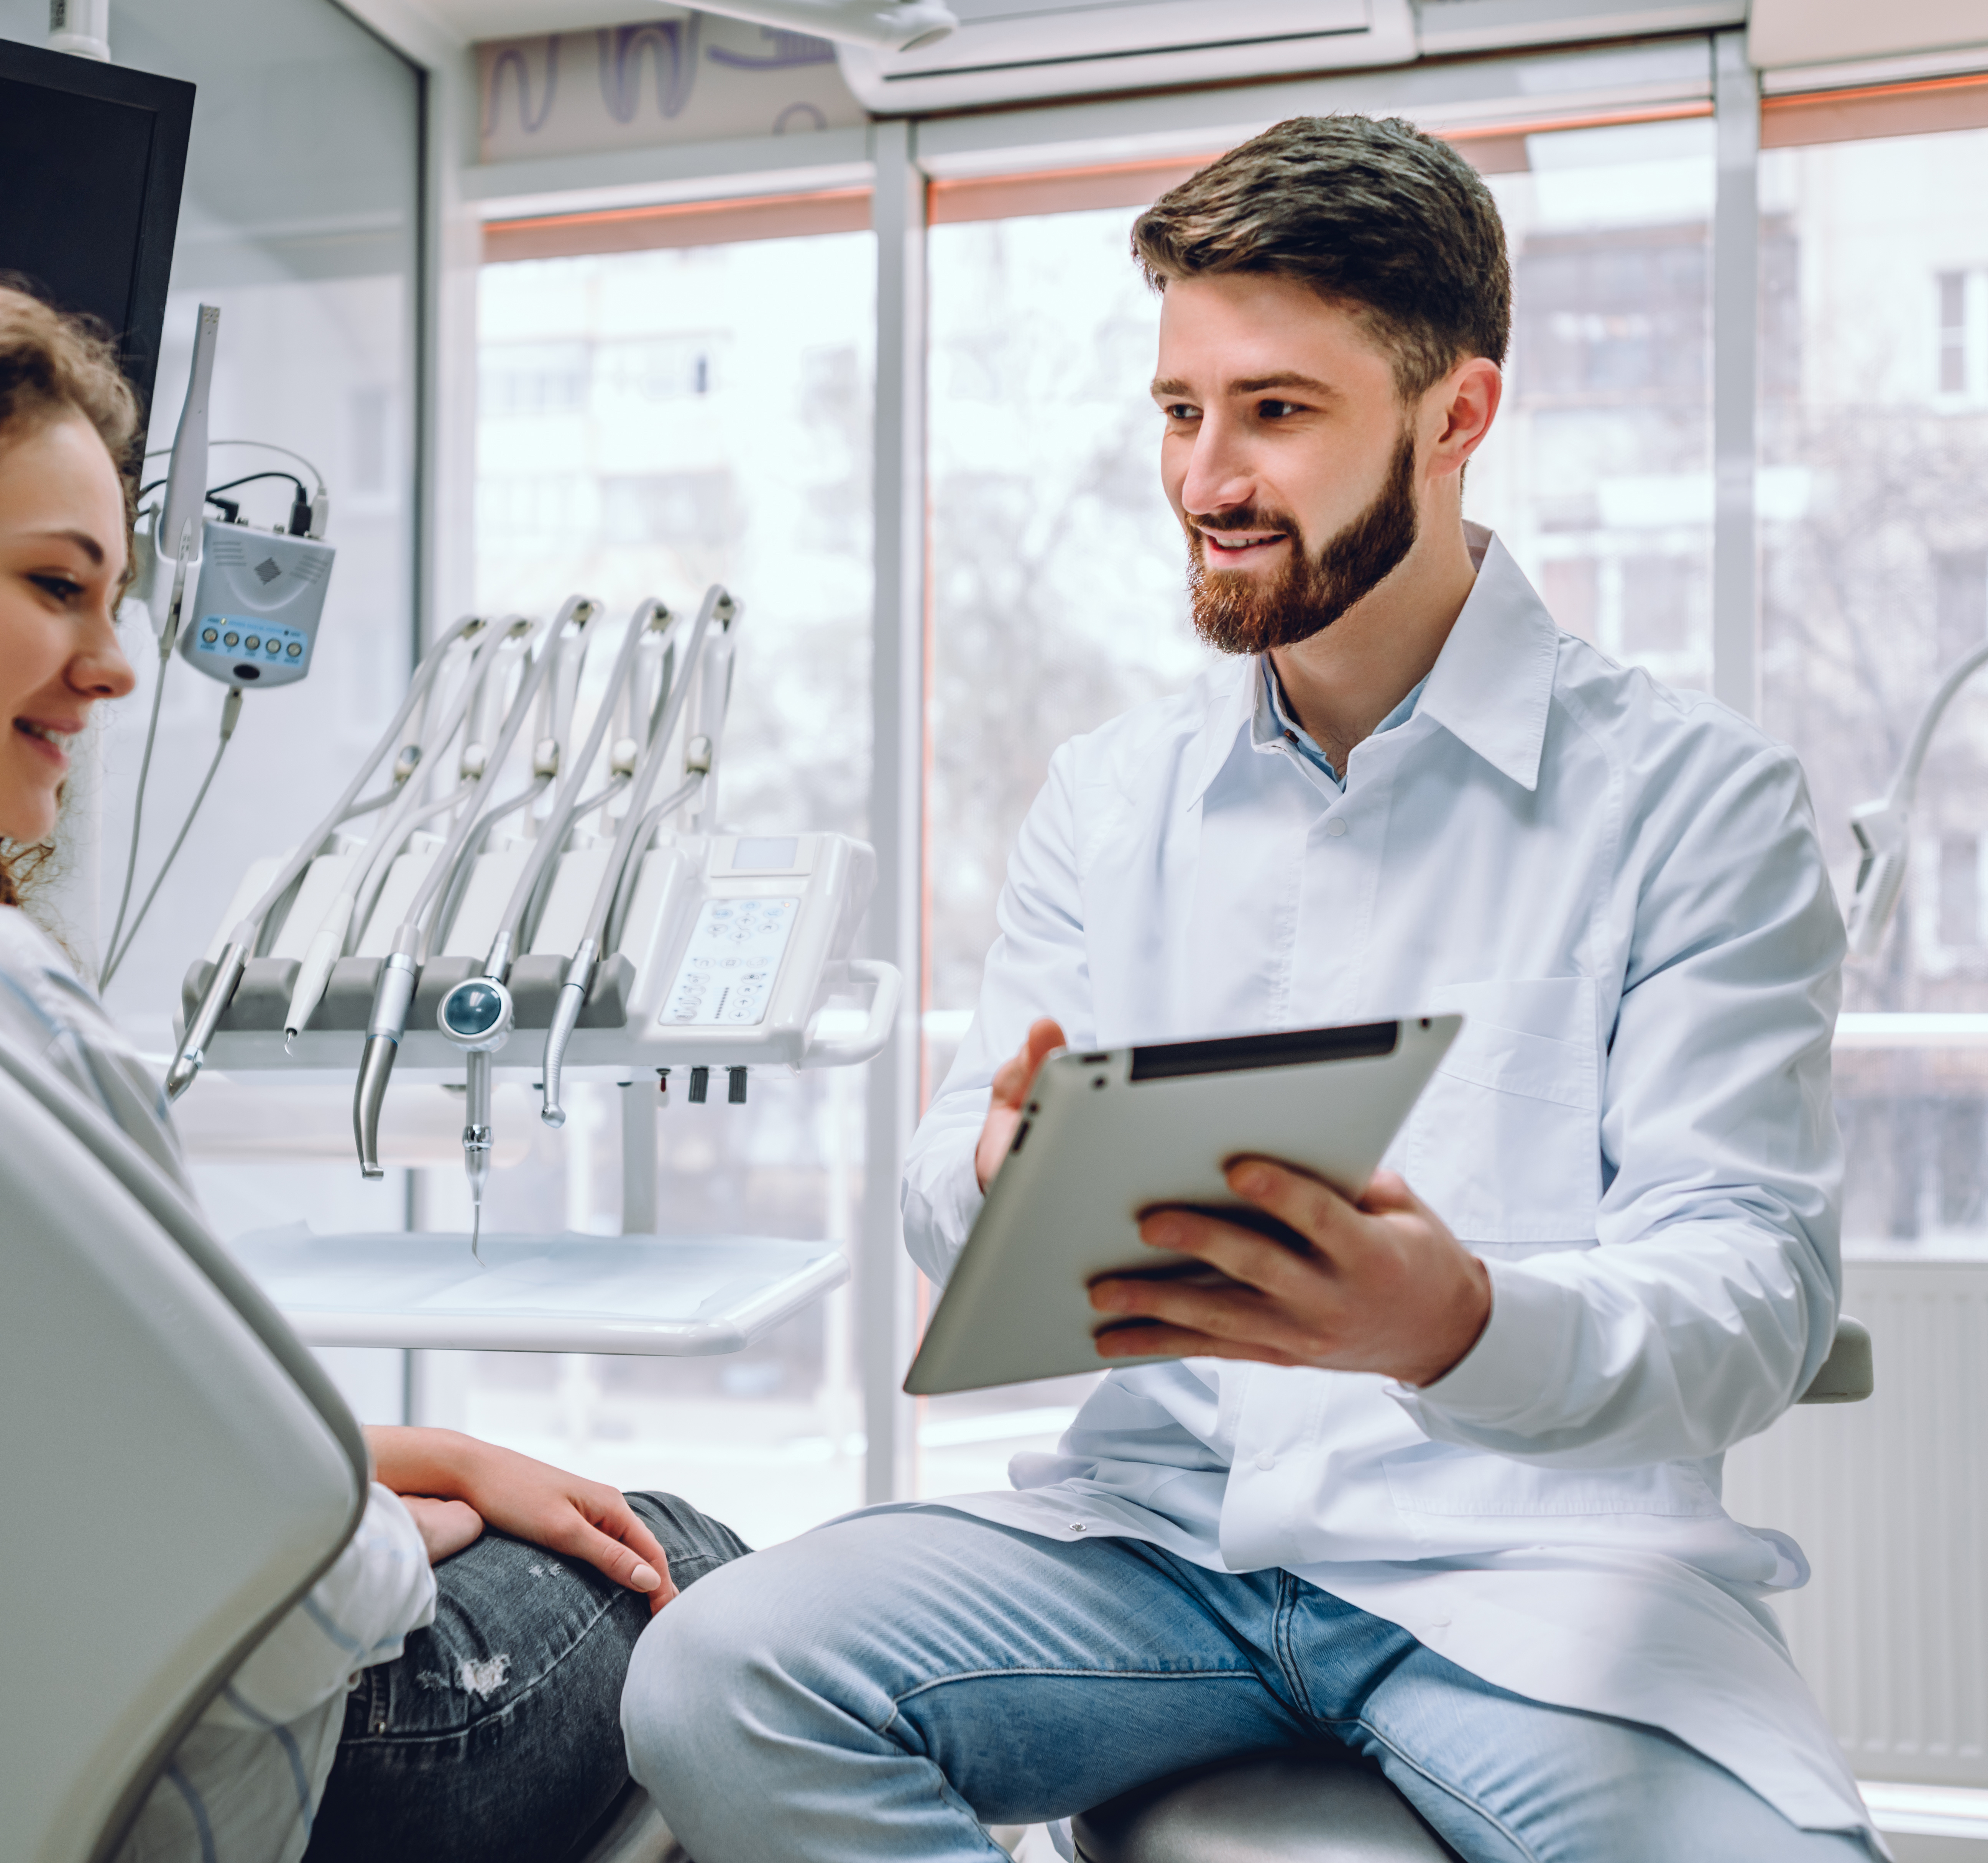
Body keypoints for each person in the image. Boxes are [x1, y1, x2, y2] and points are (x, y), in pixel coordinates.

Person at [621, 115, 1875, 1862]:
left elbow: (1752, 1295)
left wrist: (1449, 1324)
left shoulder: (1695, 801)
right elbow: (938, 1180)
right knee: (714, 1679)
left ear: (1455, 418)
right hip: (1163, 1551)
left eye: (1275, 412)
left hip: (1531, 1573)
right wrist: (994, 1174)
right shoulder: (1108, 793)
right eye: (1178, 411)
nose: (1207, 476)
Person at [0, 255, 747, 1863]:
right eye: (53, 586)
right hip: (150, 1795)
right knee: (694, 1562)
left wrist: (396, 1455)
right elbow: (322, 1604)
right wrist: (392, 1519)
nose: (111, 667)